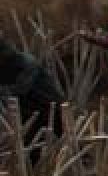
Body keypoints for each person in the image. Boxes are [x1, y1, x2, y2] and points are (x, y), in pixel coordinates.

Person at [0, 37, 65, 165]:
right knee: (30, 144)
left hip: (49, 105)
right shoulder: (4, 67)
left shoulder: (26, 63)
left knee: (63, 135)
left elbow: (20, 88)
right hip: (26, 111)